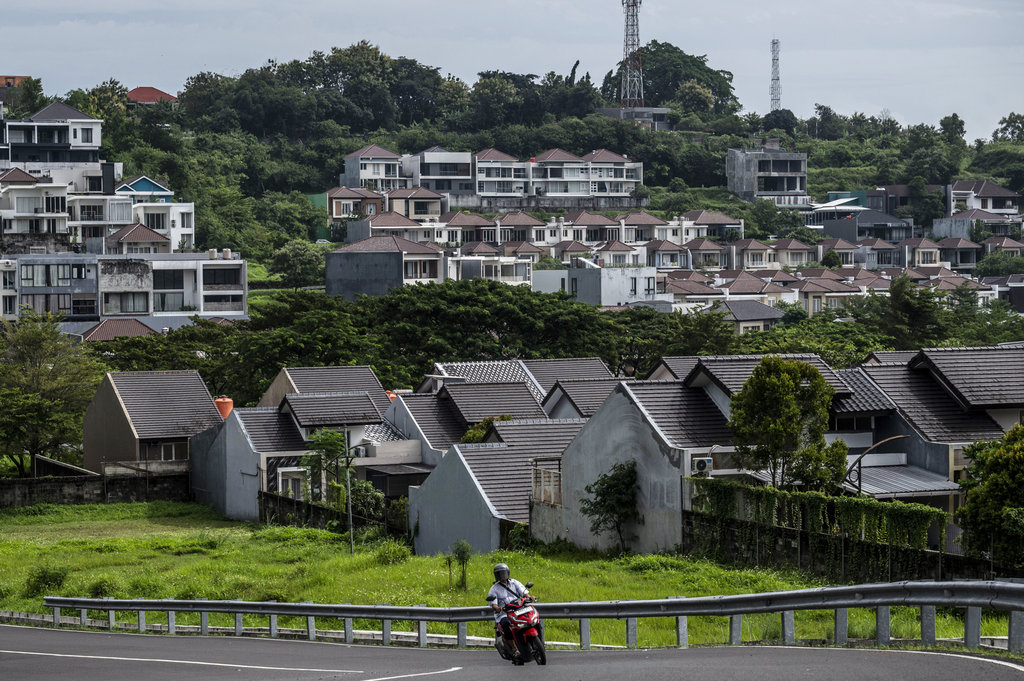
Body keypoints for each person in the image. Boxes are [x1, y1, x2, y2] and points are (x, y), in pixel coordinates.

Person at [487, 562, 534, 663]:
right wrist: (498, 608)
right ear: (496, 575)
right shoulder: (494, 588)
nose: (502, 576)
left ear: (507, 573)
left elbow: (524, 592)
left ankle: (538, 641)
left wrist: (529, 597)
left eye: (503, 573)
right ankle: (514, 648)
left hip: (518, 609)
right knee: (506, 623)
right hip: (504, 613)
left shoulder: (514, 582)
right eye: (499, 574)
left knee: (532, 618)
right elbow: (493, 604)